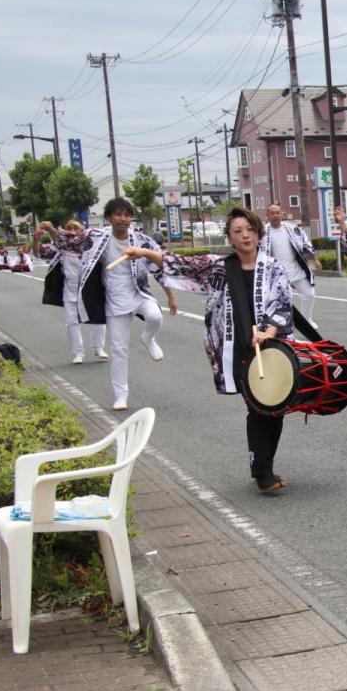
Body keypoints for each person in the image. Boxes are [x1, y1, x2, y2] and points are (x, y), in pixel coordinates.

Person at [117, 208, 295, 494]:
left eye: (249, 229)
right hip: (238, 348)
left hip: (271, 346)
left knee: (275, 408)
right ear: (230, 238)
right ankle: (262, 471)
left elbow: (282, 304)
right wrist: (145, 253)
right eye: (237, 231)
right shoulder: (219, 267)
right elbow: (181, 264)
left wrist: (269, 332)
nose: (245, 235)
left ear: (257, 233)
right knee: (258, 407)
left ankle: (265, 465)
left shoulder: (273, 267)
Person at [45, 197, 177, 411]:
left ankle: (148, 338)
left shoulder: (141, 240)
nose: (123, 219)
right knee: (119, 350)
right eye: (118, 214)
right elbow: (66, 242)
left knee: (155, 316)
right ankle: (120, 396)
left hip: (139, 293)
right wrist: (51, 230)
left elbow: (159, 267)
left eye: (127, 215)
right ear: (108, 217)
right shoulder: (95, 237)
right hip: (114, 301)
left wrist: (170, 296)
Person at [35, 220, 108, 365]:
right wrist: (36, 239)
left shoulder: (90, 244)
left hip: (91, 289)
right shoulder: (60, 247)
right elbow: (40, 253)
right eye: (69, 228)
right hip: (71, 289)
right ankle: (78, 353)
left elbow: (72, 242)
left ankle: (99, 348)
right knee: (71, 322)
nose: (72, 230)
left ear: (82, 230)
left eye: (76, 227)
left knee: (98, 319)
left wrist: (51, 230)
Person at [263, 204, 319, 326]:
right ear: (267, 215)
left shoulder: (291, 228)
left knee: (309, 294)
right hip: (276, 273)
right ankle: (283, 324)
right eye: (272, 213)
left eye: (278, 212)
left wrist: (314, 259)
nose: (275, 215)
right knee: (281, 300)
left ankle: (306, 320)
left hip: (295, 268)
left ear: (281, 214)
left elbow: (305, 243)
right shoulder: (262, 232)